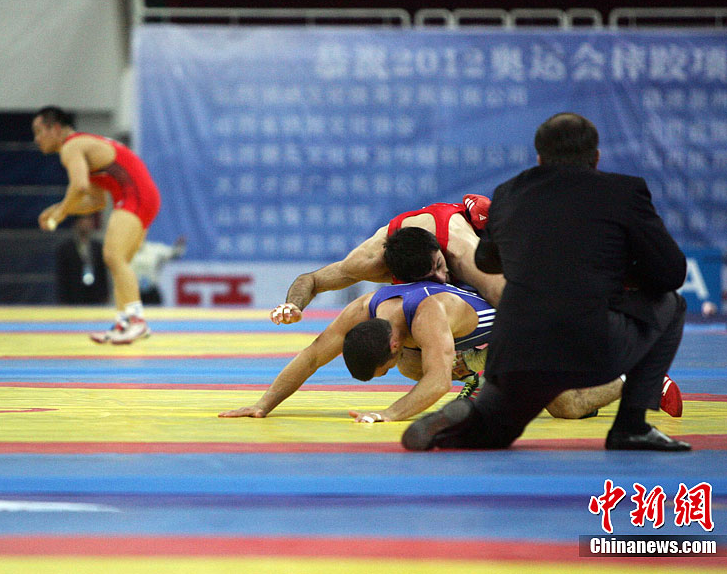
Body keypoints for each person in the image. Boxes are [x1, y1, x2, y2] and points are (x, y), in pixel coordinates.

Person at [402, 113, 690, 452]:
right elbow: (671, 273)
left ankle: (469, 420)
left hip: (513, 348)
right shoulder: (624, 192)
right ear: (596, 157)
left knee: (496, 431)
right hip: (591, 344)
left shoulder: (507, 195)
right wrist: (623, 273)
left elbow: (485, 261)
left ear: (539, 158)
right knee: (672, 304)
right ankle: (631, 426)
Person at [220, 231, 494, 421]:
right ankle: (480, 364)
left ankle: (489, 363)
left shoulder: (429, 313)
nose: (386, 375)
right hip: (470, 327)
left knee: (527, 396)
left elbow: (438, 382)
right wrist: (262, 405)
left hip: (522, 326)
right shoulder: (366, 306)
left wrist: (389, 413)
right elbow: (314, 355)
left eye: (382, 369)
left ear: (393, 344)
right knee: (411, 364)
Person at [269, 195, 502, 327]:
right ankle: (472, 368)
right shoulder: (367, 260)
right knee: (409, 350)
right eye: (430, 277)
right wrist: (293, 306)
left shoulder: (462, 251)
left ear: (440, 252)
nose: (441, 279)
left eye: (440, 267)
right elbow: (311, 280)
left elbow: (516, 306)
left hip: (489, 235)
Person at [32, 106, 161, 344]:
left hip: (135, 195)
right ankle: (123, 323)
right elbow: (96, 201)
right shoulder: (84, 145)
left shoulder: (71, 146)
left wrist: (60, 213)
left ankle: (137, 321)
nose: (36, 139)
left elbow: (79, 186)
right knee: (118, 261)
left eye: (39, 131)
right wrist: (60, 208)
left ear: (56, 129)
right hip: (142, 194)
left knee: (113, 256)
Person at [55, 213, 110, 305]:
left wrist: (105, 295)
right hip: (74, 296)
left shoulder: (98, 247)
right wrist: (63, 299)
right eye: (83, 221)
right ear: (76, 224)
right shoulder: (66, 248)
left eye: (89, 221)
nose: (86, 224)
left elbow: (102, 273)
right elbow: (62, 276)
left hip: (95, 295)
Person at [131, 235, 186, 304]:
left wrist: (180, 245)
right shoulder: (125, 252)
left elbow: (173, 253)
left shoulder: (155, 249)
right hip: (133, 292)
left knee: (156, 313)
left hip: (152, 291)